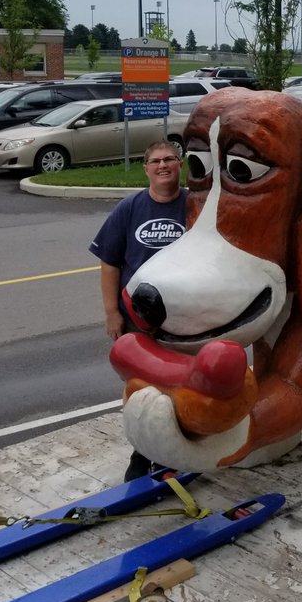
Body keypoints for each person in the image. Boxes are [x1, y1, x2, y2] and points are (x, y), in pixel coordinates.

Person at [89, 140, 188, 479]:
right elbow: (109, 262)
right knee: (141, 389)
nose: (163, 165)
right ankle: (142, 453)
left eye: (170, 159)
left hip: (184, 318)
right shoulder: (129, 208)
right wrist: (111, 312)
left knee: (179, 388)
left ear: (180, 165)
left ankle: (173, 453)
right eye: (156, 161)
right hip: (137, 320)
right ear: (146, 168)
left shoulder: (195, 206)